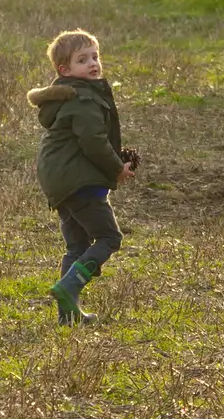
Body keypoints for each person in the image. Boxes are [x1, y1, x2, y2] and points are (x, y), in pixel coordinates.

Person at [25, 29, 139, 325]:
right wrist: (117, 168)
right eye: (82, 59)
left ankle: (68, 314)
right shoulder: (84, 98)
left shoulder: (69, 96)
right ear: (65, 70)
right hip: (79, 181)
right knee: (109, 237)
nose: (93, 63)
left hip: (59, 180)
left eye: (95, 56)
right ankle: (70, 286)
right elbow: (93, 142)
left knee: (76, 246)